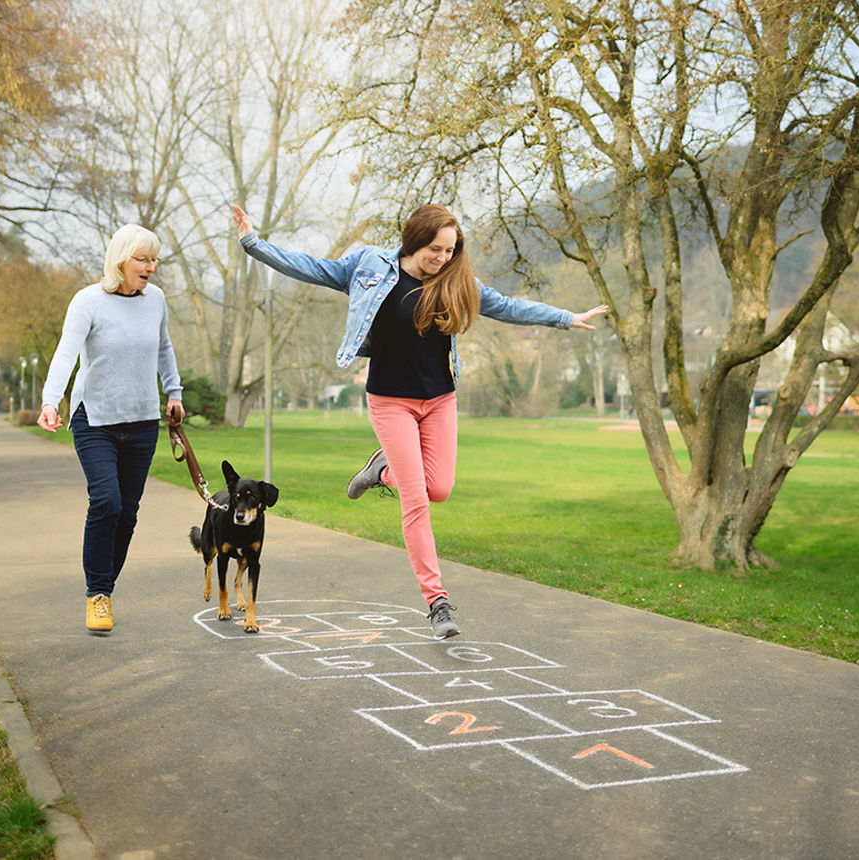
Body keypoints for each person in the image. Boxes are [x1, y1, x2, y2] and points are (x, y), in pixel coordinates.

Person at [232, 203, 606, 639]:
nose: (443, 259)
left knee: (439, 488)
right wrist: (253, 244)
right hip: (391, 402)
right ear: (414, 240)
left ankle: (381, 470)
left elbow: (506, 306)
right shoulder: (370, 265)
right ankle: (437, 602)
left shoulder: (456, 280)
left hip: (440, 399)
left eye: (450, 250)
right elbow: (313, 268)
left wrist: (564, 318)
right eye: (435, 249)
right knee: (416, 500)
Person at [37, 224, 185, 634]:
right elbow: (66, 352)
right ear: (120, 259)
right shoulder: (88, 301)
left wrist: (173, 392)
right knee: (107, 502)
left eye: (154, 259)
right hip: (95, 419)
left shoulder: (155, 300)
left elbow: (163, 347)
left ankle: (104, 588)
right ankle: (97, 594)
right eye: (143, 259)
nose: (151, 267)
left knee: (128, 515)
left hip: (141, 421)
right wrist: (51, 401)